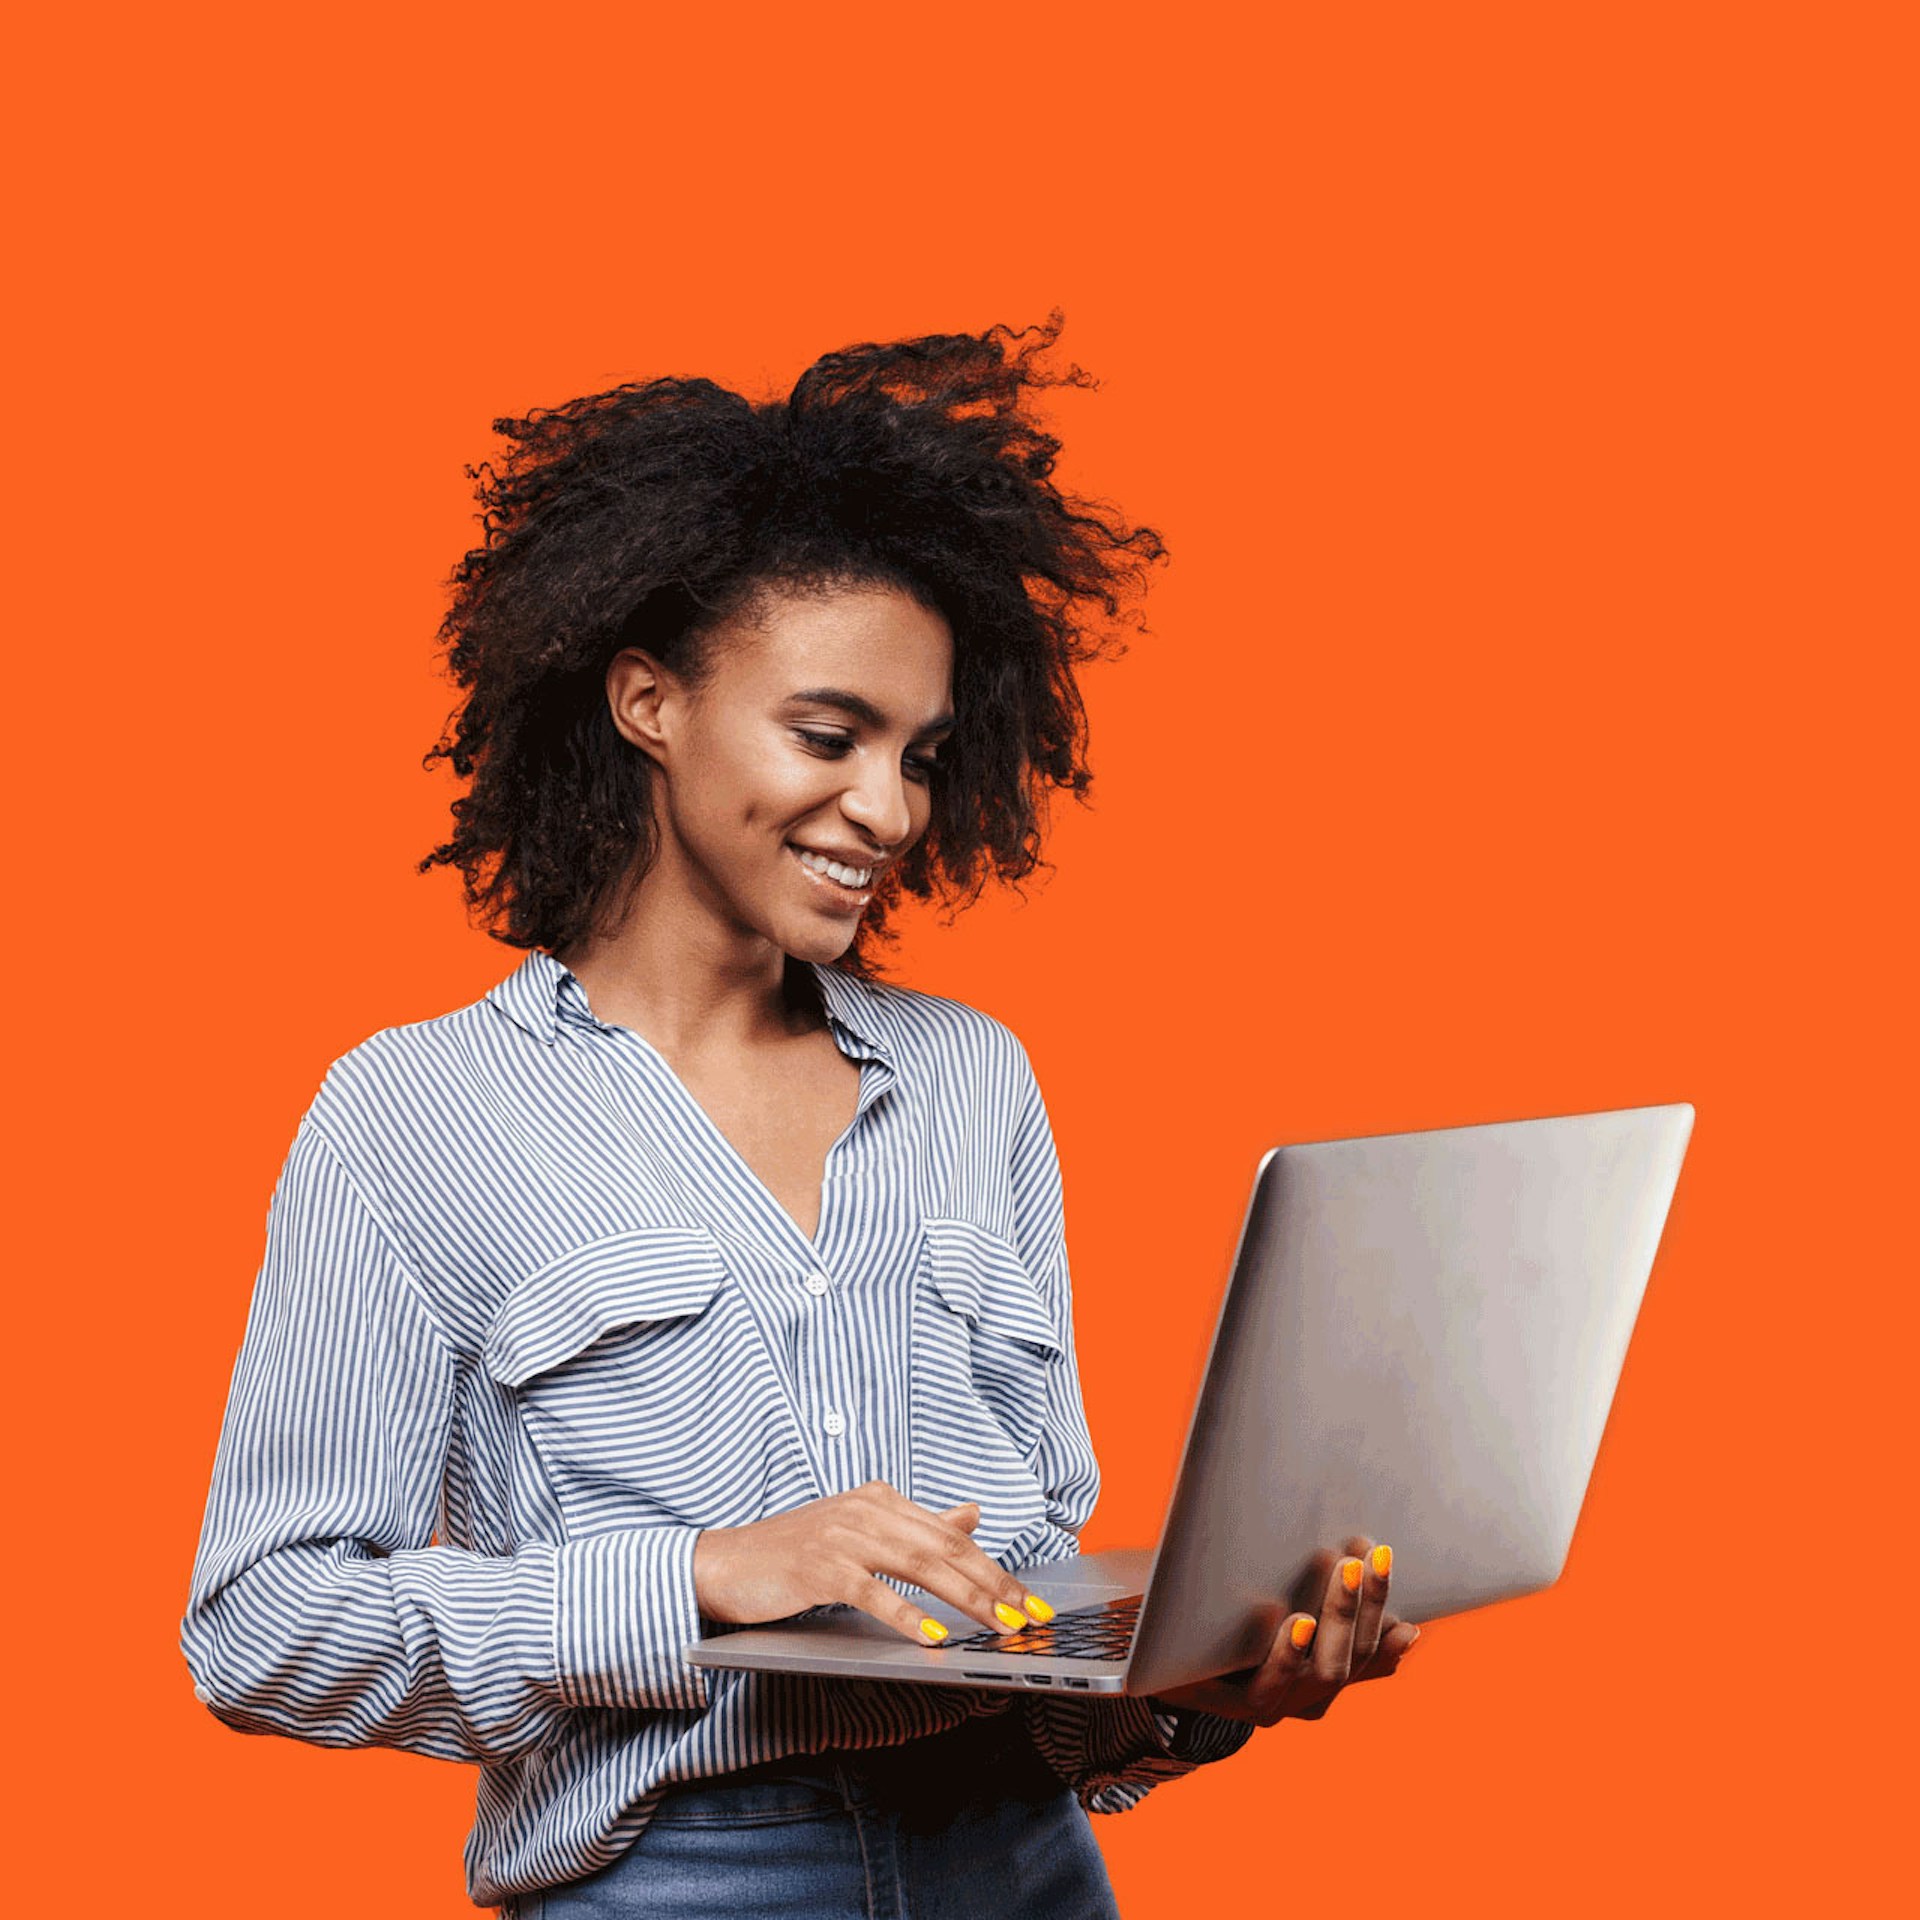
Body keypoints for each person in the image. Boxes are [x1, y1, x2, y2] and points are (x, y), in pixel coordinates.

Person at [180, 313, 1418, 1919]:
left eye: (919, 755)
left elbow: (1026, 1589)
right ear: (646, 702)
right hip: (684, 1878)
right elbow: (262, 1625)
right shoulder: (415, 1118)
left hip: (1024, 1864)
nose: (891, 810)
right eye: (828, 737)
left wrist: (1207, 1684)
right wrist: (698, 1580)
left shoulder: (974, 1080)